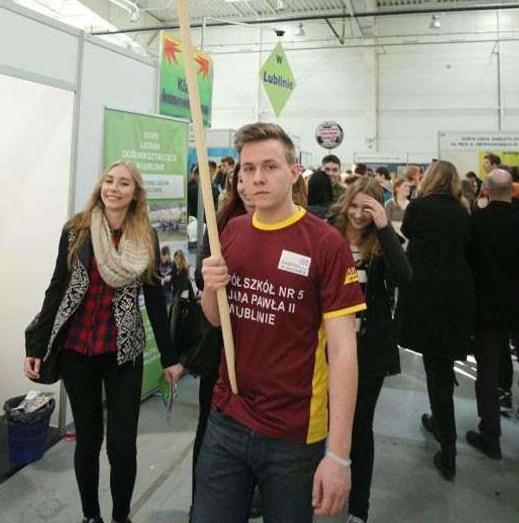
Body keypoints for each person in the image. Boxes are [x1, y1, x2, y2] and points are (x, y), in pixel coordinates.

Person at [194, 122, 365, 523]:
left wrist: (339, 455)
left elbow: (343, 352)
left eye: (269, 166)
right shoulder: (231, 232)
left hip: (294, 433)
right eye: (248, 168)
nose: (257, 177)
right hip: (228, 418)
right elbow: (215, 320)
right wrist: (210, 288)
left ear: (293, 171)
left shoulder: (326, 243)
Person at [24, 160, 183, 523]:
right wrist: (36, 346)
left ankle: (121, 517)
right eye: (109, 181)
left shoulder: (144, 236)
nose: (113, 188)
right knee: (88, 439)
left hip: (122, 351)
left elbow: (155, 299)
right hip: (76, 349)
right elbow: (56, 289)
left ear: (135, 193)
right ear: (100, 186)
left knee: (123, 446)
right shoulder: (76, 230)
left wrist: (170, 357)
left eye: (124, 183)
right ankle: (91, 516)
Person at [329, 177, 412, 523]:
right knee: (317, 420)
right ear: (345, 202)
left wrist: (384, 226)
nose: (358, 214)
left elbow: (404, 277)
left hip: (367, 351)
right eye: (354, 205)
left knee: (360, 427)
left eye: (368, 208)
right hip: (325, 348)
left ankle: (358, 508)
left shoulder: (382, 242)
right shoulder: (328, 234)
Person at [396, 160, 474, 481]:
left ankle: (447, 443)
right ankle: (440, 424)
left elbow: (408, 234)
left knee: (435, 366)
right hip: (457, 293)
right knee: (442, 365)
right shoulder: (463, 211)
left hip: (425, 294)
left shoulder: (419, 208)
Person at [191, 163, 257, 518]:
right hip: (219, 344)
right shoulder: (221, 226)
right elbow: (203, 281)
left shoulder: (294, 229)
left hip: (262, 348)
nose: (247, 185)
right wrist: (213, 279)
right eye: (240, 179)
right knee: (210, 426)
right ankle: (200, 503)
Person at [465, 169, 519, 460]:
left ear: (486, 189)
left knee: (486, 370)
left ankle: (490, 434)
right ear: (512, 190)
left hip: (487, 307)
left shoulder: (477, 221)